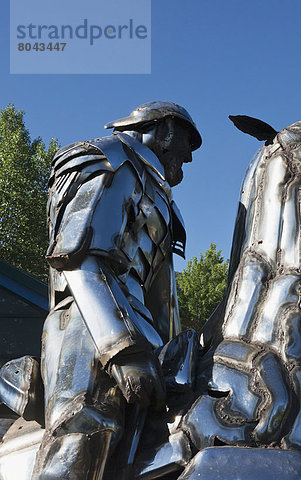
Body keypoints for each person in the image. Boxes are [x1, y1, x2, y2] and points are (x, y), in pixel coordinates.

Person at [33, 102, 201, 478]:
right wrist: (121, 348)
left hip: (142, 337)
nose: (188, 157)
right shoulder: (110, 159)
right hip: (89, 324)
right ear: (165, 129)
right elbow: (78, 257)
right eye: (188, 142)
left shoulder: (159, 193)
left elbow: (160, 298)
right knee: (84, 434)